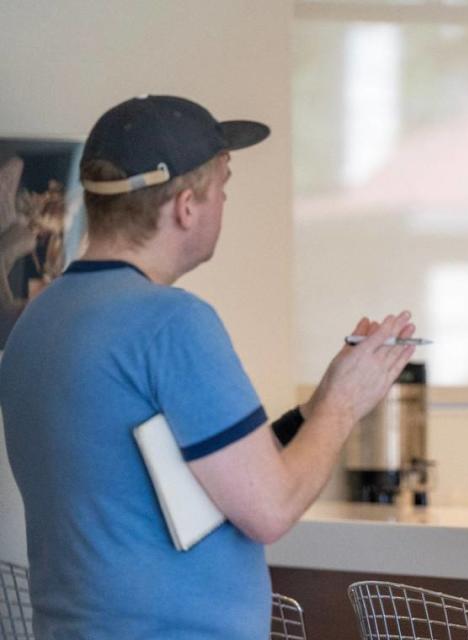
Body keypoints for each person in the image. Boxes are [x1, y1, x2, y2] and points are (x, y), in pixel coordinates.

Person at [0, 95, 419, 638]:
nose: (225, 201)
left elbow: (210, 477)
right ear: (186, 206)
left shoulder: (38, 318)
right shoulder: (171, 324)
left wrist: (317, 406)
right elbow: (269, 509)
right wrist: (343, 409)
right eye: (223, 186)